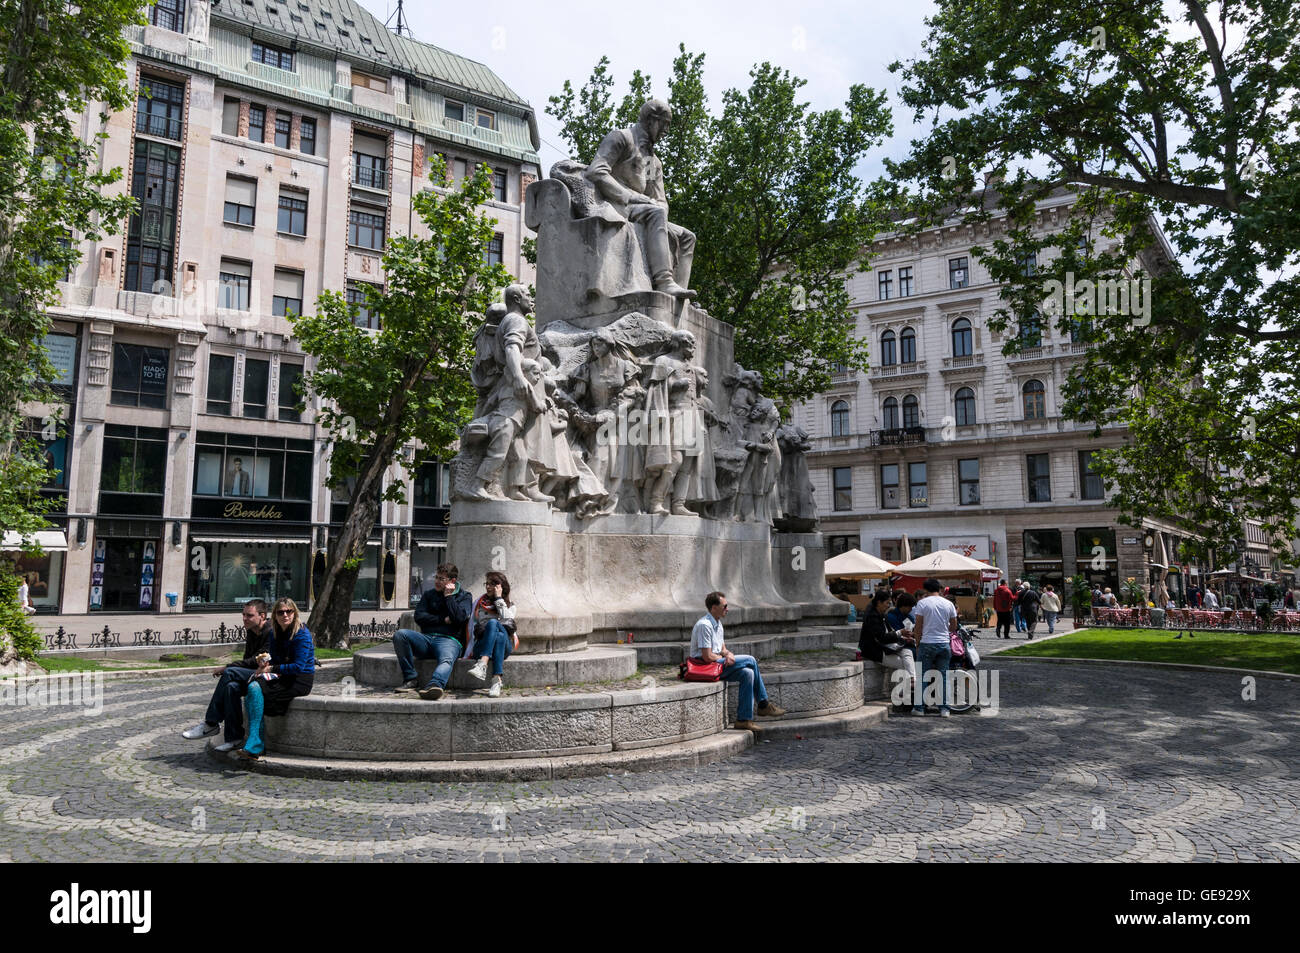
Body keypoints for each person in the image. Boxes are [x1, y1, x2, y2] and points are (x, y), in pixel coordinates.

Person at [584, 98, 696, 298]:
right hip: (617, 203)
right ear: (652, 120)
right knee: (655, 213)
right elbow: (597, 171)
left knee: (687, 237)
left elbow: (659, 198)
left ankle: (680, 297)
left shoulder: (652, 160)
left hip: (644, 210)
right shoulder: (622, 138)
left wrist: (658, 207)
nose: (667, 131)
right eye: (665, 124)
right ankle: (664, 281)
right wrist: (632, 197)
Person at [182, 600, 274, 750]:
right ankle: (234, 738)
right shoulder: (252, 630)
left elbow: (256, 660)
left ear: (262, 616)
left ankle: (211, 723)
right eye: (243, 614)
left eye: (249, 615)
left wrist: (228, 667)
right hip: (253, 673)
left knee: (230, 672)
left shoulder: (271, 632)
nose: (244, 618)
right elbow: (248, 659)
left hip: (268, 676)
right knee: (232, 687)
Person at [689, 591, 785, 732]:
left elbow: (722, 649)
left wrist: (728, 654)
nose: (727, 609)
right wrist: (725, 658)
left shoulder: (718, 624)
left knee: (748, 673)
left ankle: (743, 720)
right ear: (714, 608)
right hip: (706, 667)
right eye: (724, 606)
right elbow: (707, 657)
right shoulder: (705, 625)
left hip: (716, 665)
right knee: (750, 660)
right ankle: (763, 704)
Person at [236, 598, 316, 761]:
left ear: (295, 613)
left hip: (299, 680)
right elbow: (273, 659)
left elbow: (299, 666)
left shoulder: (302, 634)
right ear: (275, 615)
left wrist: (271, 668)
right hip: (281, 676)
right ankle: (255, 744)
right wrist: (264, 663)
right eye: (280, 612)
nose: (285, 615)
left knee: (256, 691)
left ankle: (255, 746)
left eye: (289, 611)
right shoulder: (274, 633)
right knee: (252, 687)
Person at [394, 563, 474, 700]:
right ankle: (410, 679)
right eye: (436, 577)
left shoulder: (464, 596)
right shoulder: (429, 595)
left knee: (446, 660)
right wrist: (443, 620)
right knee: (400, 635)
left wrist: (449, 597)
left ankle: (434, 686)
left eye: (441, 579)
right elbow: (419, 616)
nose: (437, 581)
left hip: (450, 640)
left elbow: (460, 618)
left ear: (452, 581)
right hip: (426, 639)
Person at [466, 571, 517, 698]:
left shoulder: (510, 605)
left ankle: (482, 663)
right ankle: (496, 680)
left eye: (492, 584)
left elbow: (509, 620)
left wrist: (499, 599)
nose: (488, 587)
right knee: (498, 635)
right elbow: (472, 626)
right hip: (482, 645)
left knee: (494, 623)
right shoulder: (479, 603)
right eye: (487, 583)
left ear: (501, 586)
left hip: (504, 647)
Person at [912, 579, 958, 716]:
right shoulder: (948, 604)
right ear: (939, 589)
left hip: (927, 642)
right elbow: (954, 625)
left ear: (925, 590)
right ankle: (944, 709)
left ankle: (919, 708)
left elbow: (918, 626)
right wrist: (945, 631)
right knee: (943, 677)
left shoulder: (922, 603)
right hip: (944, 643)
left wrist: (918, 643)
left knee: (923, 676)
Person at [867, 591, 917, 708]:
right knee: (905, 663)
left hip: (899, 646)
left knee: (909, 654)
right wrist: (902, 635)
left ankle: (911, 682)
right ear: (879, 603)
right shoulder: (882, 617)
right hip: (884, 649)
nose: (888, 606)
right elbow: (883, 637)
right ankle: (902, 694)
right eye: (887, 603)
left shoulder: (905, 617)